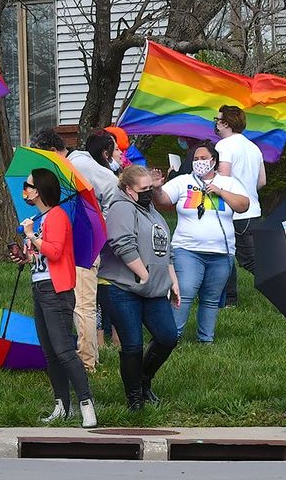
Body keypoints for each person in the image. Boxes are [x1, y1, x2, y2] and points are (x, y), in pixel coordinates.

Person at [16, 168, 97, 427]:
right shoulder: (41, 219)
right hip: (40, 288)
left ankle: (87, 405)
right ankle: (62, 406)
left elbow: (55, 251)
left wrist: (30, 235)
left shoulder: (58, 216)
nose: (24, 190)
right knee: (50, 352)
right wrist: (24, 255)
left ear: (39, 190)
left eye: (27, 185)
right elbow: (40, 257)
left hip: (56, 291)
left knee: (64, 351)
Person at [99, 165, 180, 411]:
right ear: (128, 189)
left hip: (154, 290)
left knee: (167, 337)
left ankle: (143, 379)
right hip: (125, 289)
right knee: (132, 344)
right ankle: (134, 398)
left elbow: (165, 249)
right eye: (143, 189)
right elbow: (122, 243)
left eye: (151, 188)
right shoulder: (121, 207)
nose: (149, 193)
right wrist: (143, 274)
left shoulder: (151, 209)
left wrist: (172, 281)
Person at [153, 141, 249, 343]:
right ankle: (172, 338)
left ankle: (206, 340)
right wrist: (156, 188)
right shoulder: (183, 181)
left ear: (214, 161)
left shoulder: (228, 182)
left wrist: (221, 192)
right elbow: (162, 200)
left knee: (211, 298)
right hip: (187, 250)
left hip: (221, 252)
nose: (199, 162)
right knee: (184, 291)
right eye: (195, 159)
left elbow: (243, 205)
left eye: (204, 159)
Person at [66, 130, 122, 372]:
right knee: (86, 304)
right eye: (114, 151)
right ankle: (90, 357)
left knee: (84, 305)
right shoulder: (101, 174)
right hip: (89, 242)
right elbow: (114, 199)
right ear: (105, 153)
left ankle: (87, 363)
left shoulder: (75, 165)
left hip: (82, 244)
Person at [215, 105, 265, 308]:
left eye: (217, 119)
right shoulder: (254, 147)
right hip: (253, 209)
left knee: (235, 257)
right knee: (250, 258)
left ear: (226, 123)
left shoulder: (223, 146)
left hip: (233, 210)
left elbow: (224, 176)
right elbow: (262, 181)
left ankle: (230, 299)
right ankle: (230, 299)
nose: (215, 123)